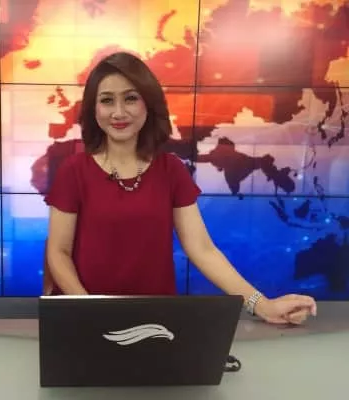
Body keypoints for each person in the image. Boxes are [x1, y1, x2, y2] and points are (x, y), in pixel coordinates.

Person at [44, 51, 317, 326]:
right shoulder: (74, 171)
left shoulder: (171, 170)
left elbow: (202, 250)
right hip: (86, 322)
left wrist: (263, 305)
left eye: (130, 98)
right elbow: (58, 252)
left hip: (154, 323)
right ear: (94, 109)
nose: (118, 112)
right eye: (106, 100)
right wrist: (88, 309)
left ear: (148, 103)